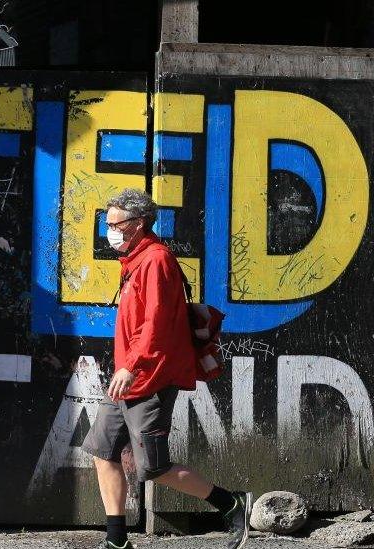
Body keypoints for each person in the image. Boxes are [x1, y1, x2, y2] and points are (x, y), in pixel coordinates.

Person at [82, 188, 252, 549]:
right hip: (127, 377)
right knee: (104, 451)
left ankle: (230, 503)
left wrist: (132, 365)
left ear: (139, 224)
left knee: (155, 467)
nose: (109, 229)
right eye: (107, 222)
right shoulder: (134, 261)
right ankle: (117, 541)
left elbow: (156, 325)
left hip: (151, 377)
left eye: (116, 223)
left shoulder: (156, 260)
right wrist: (125, 369)